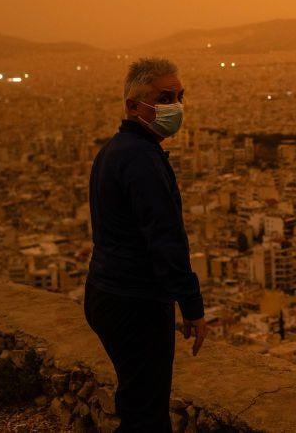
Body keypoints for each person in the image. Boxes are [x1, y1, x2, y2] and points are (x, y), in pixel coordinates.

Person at [84, 57, 207, 432]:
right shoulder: (140, 159)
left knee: (138, 403)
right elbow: (166, 239)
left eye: (180, 96)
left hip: (106, 292)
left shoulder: (114, 151)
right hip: (134, 301)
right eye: (165, 97)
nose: (175, 105)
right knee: (148, 415)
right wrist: (192, 306)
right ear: (132, 106)